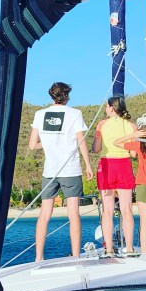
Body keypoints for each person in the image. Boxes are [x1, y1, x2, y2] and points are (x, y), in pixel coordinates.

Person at [29, 82, 93, 261]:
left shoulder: (40, 114)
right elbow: (81, 141)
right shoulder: (75, 113)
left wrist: (49, 143)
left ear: (51, 96)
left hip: (50, 170)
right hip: (70, 169)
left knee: (44, 214)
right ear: (67, 96)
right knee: (73, 214)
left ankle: (39, 257)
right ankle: (76, 256)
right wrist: (88, 165)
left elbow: (33, 145)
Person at [93, 95, 136, 255]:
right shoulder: (131, 126)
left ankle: (109, 249)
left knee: (108, 211)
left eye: (106, 106)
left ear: (111, 108)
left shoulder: (102, 124)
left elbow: (96, 149)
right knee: (127, 210)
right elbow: (133, 153)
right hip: (124, 165)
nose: (105, 109)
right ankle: (129, 248)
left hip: (106, 166)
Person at [121, 121, 146, 253]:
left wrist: (133, 135)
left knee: (144, 221)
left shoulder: (138, 145)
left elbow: (116, 142)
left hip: (143, 183)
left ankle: (144, 251)